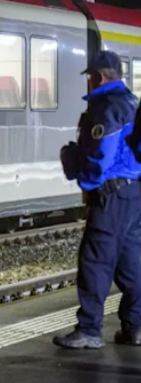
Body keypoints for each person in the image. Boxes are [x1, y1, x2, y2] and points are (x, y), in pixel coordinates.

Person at [55, 51, 141, 349]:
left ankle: (90, 330)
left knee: (95, 261)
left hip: (111, 195)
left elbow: (101, 153)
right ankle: (136, 327)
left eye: (90, 77)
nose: (89, 83)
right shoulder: (132, 102)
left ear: (98, 77)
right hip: (133, 193)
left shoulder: (106, 108)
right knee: (132, 265)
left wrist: (86, 181)